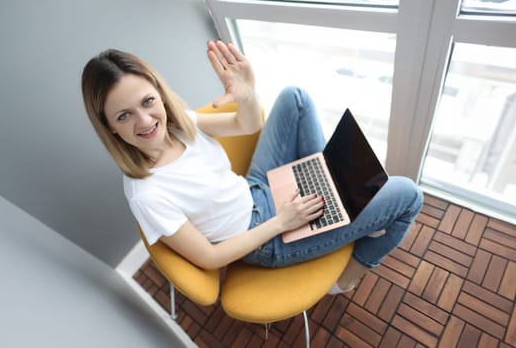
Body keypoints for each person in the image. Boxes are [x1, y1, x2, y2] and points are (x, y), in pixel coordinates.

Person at [81, 41, 423, 294]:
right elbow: (211, 259)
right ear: (109, 126)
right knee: (408, 195)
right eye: (124, 115)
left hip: (255, 187)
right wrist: (282, 222)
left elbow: (246, 125)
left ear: (158, 92)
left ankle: (329, 194)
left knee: (295, 97)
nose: (145, 121)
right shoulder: (147, 193)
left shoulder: (178, 124)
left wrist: (246, 94)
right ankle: (347, 276)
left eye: (147, 101)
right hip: (262, 240)